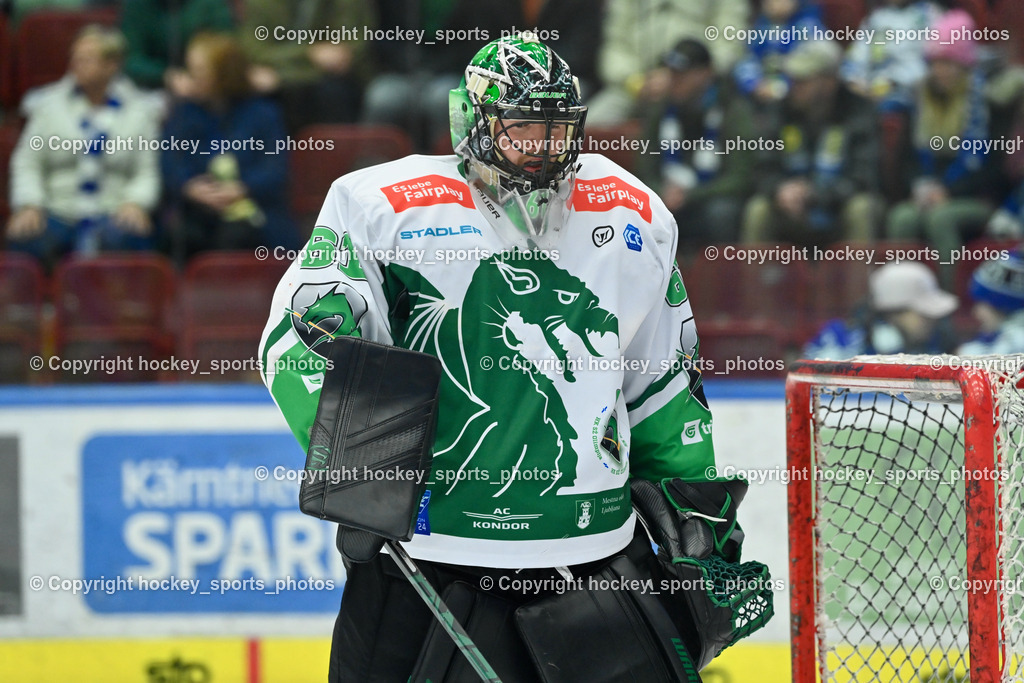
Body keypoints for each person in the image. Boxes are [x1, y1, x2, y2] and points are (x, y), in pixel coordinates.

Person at [260, 34, 771, 681]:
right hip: (427, 556)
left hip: (592, 559)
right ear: (471, 121)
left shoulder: (635, 212)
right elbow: (299, 338)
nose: (543, 147)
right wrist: (366, 475)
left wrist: (696, 514)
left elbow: (663, 383)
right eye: (522, 127)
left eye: (558, 129)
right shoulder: (381, 206)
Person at [6, 24, 159, 268]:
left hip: (113, 212)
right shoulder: (48, 106)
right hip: (57, 211)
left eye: (86, 59)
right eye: (75, 58)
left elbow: (146, 170)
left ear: (112, 65)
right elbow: (27, 162)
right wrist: (30, 204)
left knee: (130, 237)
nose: (76, 65)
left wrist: (136, 202)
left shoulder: (139, 111)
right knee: (27, 237)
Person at [885, 10, 1000, 284]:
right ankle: (903, 293)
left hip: (977, 197)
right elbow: (907, 161)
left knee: (941, 218)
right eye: (935, 63)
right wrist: (920, 187)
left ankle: (951, 294)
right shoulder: (920, 101)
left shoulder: (987, 104)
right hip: (928, 192)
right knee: (902, 217)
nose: (940, 71)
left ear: (965, 66)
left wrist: (948, 192)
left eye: (948, 63)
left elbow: (995, 169)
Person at [161, 33, 296, 258]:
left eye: (200, 70)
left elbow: (275, 170)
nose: (192, 77)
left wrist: (243, 188)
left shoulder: (263, 114)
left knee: (237, 236)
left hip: (253, 209)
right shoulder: (183, 114)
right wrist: (190, 187)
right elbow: (170, 164)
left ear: (223, 72)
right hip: (196, 209)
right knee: (182, 237)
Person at [741, 40, 881, 246]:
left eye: (803, 81)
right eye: (792, 79)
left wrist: (814, 194)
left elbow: (864, 177)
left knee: (861, 208)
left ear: (830, 82)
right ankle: (754, 278)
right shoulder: (777, 111)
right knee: (758, 209)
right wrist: (779, 189)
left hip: (839, 205)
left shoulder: (859, 112)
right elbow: (762, 167)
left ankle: (857, 277)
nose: (794, 87)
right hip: (790, 206)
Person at [637, 38, 756, 250]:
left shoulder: (733, 110)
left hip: (710, 198)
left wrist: (690, 195)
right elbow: (644, 169)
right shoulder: (659, 110)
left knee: (721, 213)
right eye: (671, 73)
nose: (674, 80)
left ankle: (720, 276)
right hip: (668, 197)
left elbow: (741, 178)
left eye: (682, 74)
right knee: (642, 209)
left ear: (706, 74)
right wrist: (661, 191)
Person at [239, 0, 374, 132]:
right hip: (278, 74)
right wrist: (309, 53)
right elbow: (254, 51)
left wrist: (284, 73)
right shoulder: (261, 3)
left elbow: (343, 52)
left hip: (327, 77)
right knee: (254, 91)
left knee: (330, 92)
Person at [803, 261, 959, 359]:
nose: (932, 321)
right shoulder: (840, 341)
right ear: (893, 314)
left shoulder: (934, 345)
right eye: (924, 314)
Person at [958, 250, 1024, 355]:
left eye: (982, 303)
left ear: (1005, 307)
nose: (975, 312)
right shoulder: (994, 338)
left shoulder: (1016, 342)